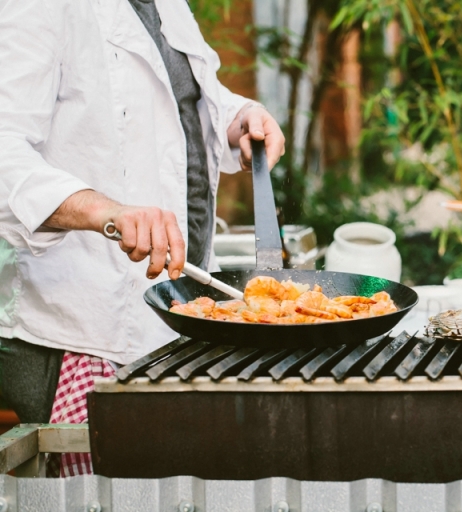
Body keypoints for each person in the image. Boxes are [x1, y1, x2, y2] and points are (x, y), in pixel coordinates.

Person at [0, 0, 285, 475]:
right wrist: (103, 210)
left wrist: (238, 118)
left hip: (165, 320)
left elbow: (182, 100)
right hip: (80, 333)